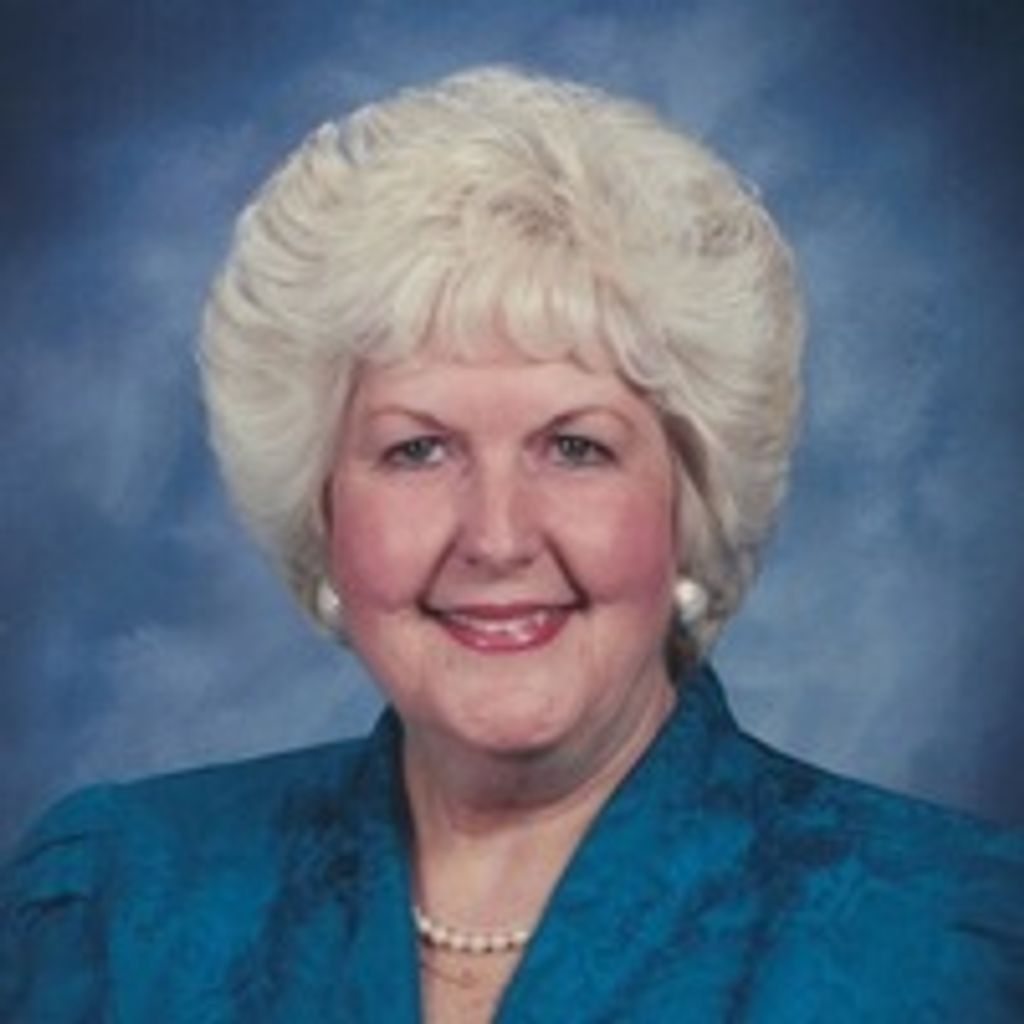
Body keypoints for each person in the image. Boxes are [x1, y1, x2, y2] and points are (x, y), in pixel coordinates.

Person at [2, 65, 1022, 1023]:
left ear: (690, 501)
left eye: (576, 447)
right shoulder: (109, 910)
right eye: (417, 449)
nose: (496, 537)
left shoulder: (943, 939)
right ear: (322, 506)